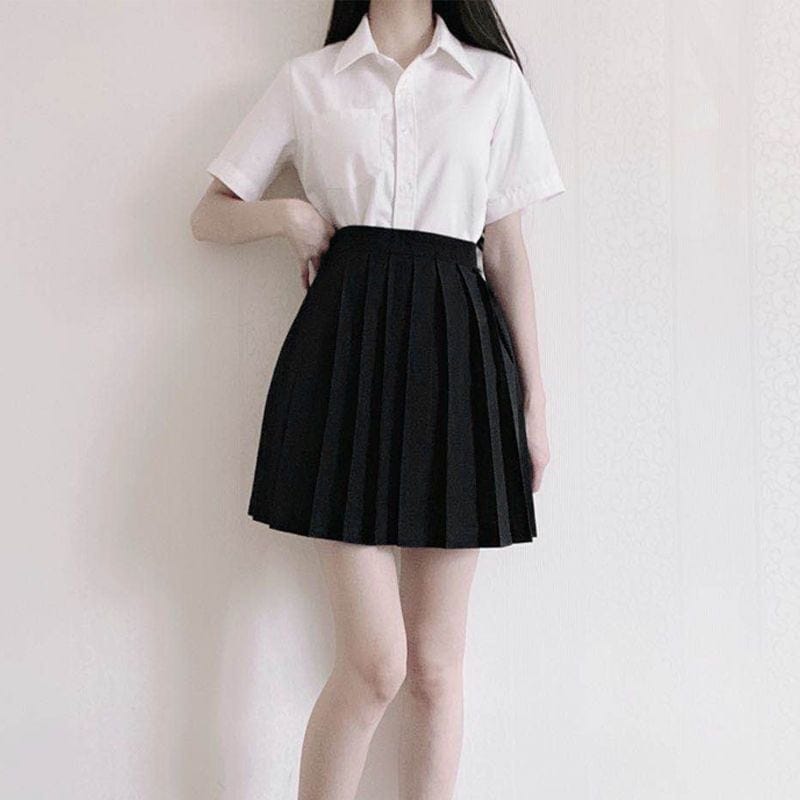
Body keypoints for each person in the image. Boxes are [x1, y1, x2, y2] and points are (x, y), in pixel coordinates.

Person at [191, 1, 565, 798]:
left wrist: (535, 404)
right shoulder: (309, 81)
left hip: (459, 363)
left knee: (434, 668)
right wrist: (287, 215)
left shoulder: (493, 82)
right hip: (343, 363)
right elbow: (208, 215)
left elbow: (507, 250)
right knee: (374, 665)